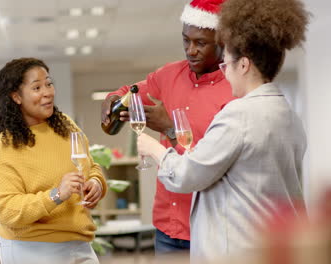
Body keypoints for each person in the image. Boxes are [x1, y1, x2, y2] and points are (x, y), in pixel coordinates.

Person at [137, 0, 309, 262]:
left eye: (226, 63)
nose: (224, 72)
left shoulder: (238, 115)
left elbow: (186, 176)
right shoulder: (288, 115)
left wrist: (155, 149)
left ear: (244, 65)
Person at [100, 0, 235, 254]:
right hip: (165, 226)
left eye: (200, 43)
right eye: (186, 40)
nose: (190, 50)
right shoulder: (170, 74)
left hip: (209, 228)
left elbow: (213, 166)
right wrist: (112, 99)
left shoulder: (234, 91)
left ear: (222, 41)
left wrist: (169, 128)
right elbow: (130, 93)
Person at [0, 58, 107, 264]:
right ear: (16, 96)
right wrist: (57, 195)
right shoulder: (4, 146)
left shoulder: (66, 126)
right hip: (31, 248)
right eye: (37, 87)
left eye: (49, 84)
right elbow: (6, 210)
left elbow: (90, 167)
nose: (48, 92)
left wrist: (95, 182)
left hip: (79, 243)